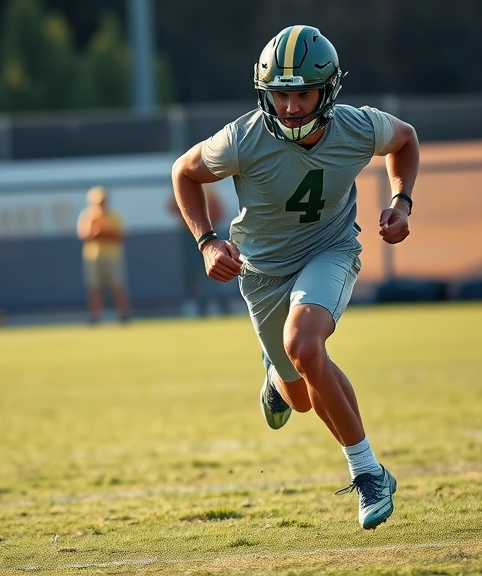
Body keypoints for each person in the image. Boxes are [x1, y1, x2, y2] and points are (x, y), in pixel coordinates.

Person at [170, 25, 419, 530]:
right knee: (301, 396)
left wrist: (401, 203)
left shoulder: (357, 127)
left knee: (305, 346)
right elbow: (184, 173)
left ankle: (368, 473)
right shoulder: (242, 138)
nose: (289, 107)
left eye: (301, 93)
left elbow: (406, 141)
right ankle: (273, 376)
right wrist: (207, 242)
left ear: (327, 90)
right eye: (280, 94)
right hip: (262, 272)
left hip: (330, 249)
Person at [166, 184, 226, 316]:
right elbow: (171, 207)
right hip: (191, 236)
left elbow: (219, 211)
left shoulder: (209, 190)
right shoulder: (183, 188)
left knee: (217, 268)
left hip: (209, 235)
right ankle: (199, 304)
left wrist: (206, 227)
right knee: (193, 272)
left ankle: (220, 302)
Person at [76, 186, 131, 324]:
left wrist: (102, 233)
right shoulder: (87, 216)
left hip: (113, 257)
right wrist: (95, 229)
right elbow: (84, 234)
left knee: (117, 286)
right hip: (93, 257)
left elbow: (120, 235)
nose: (100, 205)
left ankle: (123, 316)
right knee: (94, 288)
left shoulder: (115, 216)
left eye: (102, 201)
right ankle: (95, 317)